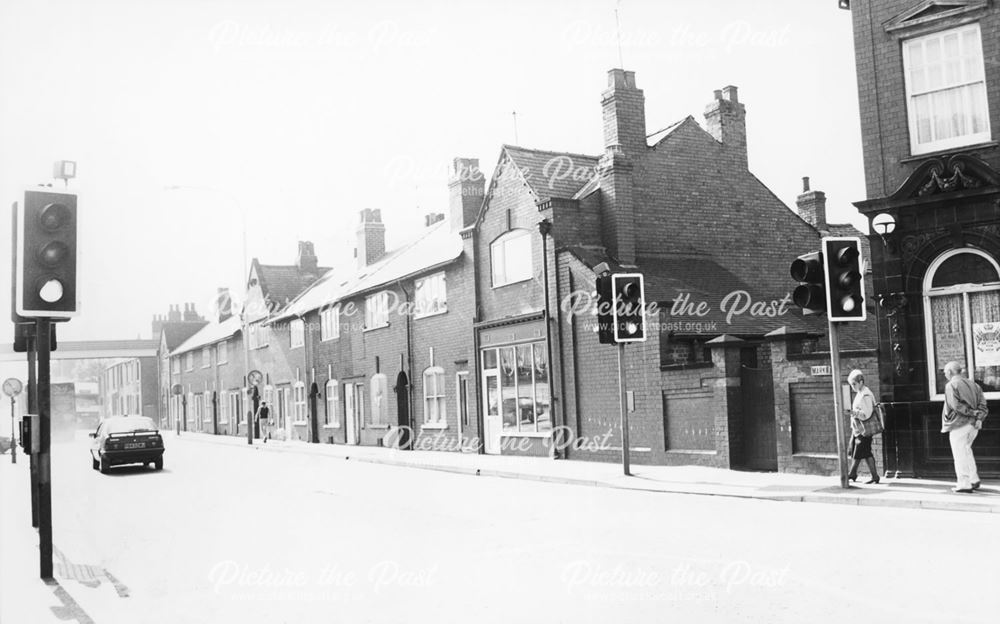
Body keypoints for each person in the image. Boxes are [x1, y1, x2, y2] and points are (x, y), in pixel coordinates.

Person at [941, 361, 988, 493]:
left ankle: (964, 483)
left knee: (959, 454)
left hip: (958, 423)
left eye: (945, 372)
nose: (944, 374)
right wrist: (979, 417)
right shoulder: (974, 385)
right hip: (974, 425)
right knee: (967, 450)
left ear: (950, 372)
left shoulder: (951, 385)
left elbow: (955, 406)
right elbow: (983, 405)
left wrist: (972, 413)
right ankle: (973, 479)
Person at [846, 370, 880, 484]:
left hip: (864, 429)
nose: (853, 387)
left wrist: (853, 412)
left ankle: (853, 474)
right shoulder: (861, 393)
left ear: (861, 382)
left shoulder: (865, 394)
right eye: (851, 385)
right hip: (859, 429)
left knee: (860, 452)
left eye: (854, 384)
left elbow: (866, 414)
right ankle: (869, 476)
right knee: (862, 452)